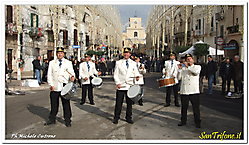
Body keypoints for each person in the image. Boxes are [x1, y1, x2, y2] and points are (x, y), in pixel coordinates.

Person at [45, 47, 75, 127]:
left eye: (61, 53)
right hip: (55, 86)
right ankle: (52, 119)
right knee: (54, 105)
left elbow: (71, 72)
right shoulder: (52, 63)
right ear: (56, 54)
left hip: (64, 86)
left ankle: (67, 120)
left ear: (63, 54)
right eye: (58, 53)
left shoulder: (68, 63)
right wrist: (51, 84)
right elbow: (49, 74)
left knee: (66, 104)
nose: (60, 54)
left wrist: (72, 77)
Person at [113, 47, 140, 124]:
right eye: (125, 53)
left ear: (130, 54)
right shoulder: (118, 63)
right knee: (119, 103)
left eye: (128, 53)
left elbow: (136, 72)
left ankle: (128, 117)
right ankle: (116, 117)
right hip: (121, 85)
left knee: (129, 104)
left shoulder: (133, 63)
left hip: (130, 85)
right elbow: (115, 74)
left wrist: (137, 76)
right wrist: (117, 83)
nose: (126, 54)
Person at [177, 54, 201, 128]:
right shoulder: (184, 69)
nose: (188, 60)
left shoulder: (197, 67)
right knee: (184, 108)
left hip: (194, 91)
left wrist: (188, 66)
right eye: (187, 59)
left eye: (190, 59)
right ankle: (183, 121)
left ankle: (197, 122)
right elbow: (179, 78)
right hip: (184, 91)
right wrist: (180, 69)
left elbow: (195, 72)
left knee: (196, 108)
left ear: (193, 60)